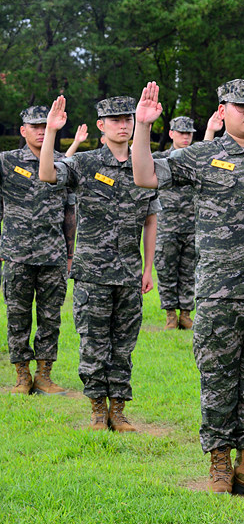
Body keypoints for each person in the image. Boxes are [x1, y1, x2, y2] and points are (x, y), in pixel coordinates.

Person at [131, 79, 244, 497]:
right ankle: (219, 466)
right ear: (222, 109)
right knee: (218, 380)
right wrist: (141, 127)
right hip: (218, 292)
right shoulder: (202, 155)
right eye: (241, 106)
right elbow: (144, 175)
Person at [38, 95, 160, 433]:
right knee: (93, 342)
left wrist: (148, 268)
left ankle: (118, 411)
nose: (123, 124)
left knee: (124, 345)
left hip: (130, 274)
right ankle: (96, 409)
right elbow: (47, 173)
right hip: (93, 274)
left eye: (128, 118)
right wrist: (51, 132)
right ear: (101, 126)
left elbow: (151, 220)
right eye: (115, 119)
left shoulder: (144, 163)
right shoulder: (85, 163)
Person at [1, 105, 75, 395]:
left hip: (53, 254)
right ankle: (22, 375)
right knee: (17, 315)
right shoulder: (6, 162)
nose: (42, 131)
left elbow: (70, 212)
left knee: (50, 317)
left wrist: (69, 254)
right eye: (35, 126)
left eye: (46, 125)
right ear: (23, 131)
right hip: (17, 254)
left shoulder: (63, 164)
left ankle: (44, 375)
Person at [152, 116, 198, 329]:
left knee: (189, 271)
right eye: (181, 132)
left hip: (192, 226)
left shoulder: (197, 160)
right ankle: (171, 314)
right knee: (166, 269)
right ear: (171, 134)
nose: (185, 136)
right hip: (166, 225)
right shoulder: (161, 159)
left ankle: (186, 314)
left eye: (189, 133)